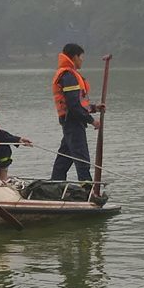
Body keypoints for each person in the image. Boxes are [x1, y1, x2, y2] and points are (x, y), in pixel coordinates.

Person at [51, 43, 103, 184]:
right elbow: (73, 105)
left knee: (63, 159)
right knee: (82, 159)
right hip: (73, 122)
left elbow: (78, 103)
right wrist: (92, 120)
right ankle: (87, 190)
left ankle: (55, 185)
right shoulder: (68, 76)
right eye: (81, 57)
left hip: (71, 121)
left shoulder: (68, 74)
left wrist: (93, 108)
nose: (82, 60)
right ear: (74, 57)